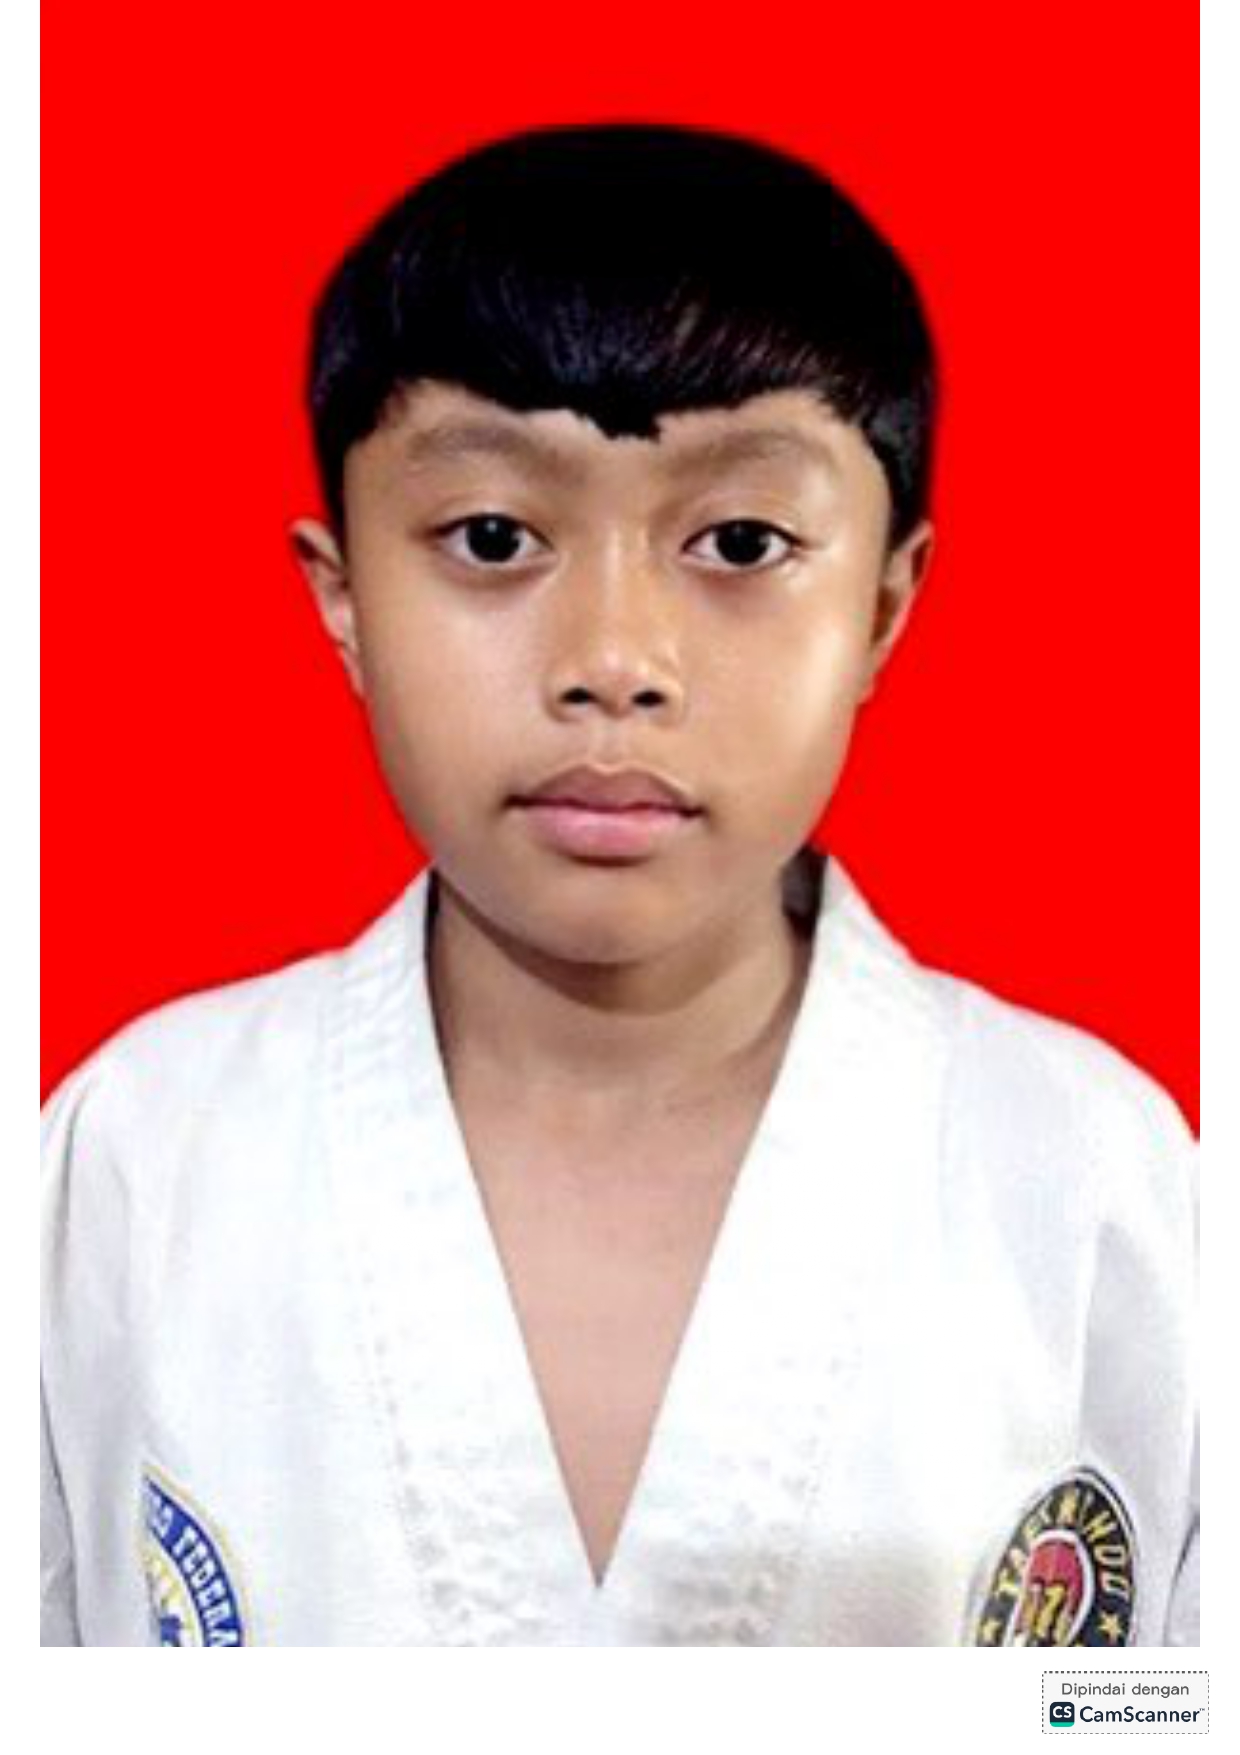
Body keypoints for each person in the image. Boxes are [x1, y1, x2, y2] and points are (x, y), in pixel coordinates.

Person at [40, 121, 1197, 1647]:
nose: (611, 662)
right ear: (343, 595)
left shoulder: (1099, 1180)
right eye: (493, 536)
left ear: (882, 605)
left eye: (742, 542)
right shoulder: (134, 1156)